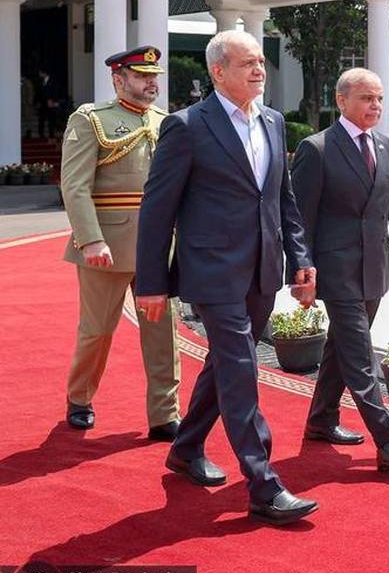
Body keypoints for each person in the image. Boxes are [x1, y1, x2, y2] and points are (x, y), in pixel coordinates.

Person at [135, 31, 320, 526]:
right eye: (247, 63)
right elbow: (157, 210)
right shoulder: (186, 127)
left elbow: (283, 199)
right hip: (211, 270)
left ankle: (186, 447)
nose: (260, 70)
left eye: (261, 62)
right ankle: (263, 484)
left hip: (263, 268)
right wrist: (151, 283)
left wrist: (300, 258)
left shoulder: (274, 122)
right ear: (218, 72)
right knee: (241, 367)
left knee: (223, 363)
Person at [289, 68, 389, 471]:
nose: (376, 106)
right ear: (342, 100)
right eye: (367, 98)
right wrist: (301, 273)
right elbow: (300, 219)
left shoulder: (385, 146)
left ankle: (321, 420)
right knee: (359, 355)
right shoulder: (317, 149)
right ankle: (388, 439)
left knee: (341, 347)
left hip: (374, 270)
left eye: (379, 99)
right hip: (335, 271)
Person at [59, 45, 181, 438]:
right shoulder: (92, 119)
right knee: (97, 330)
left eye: (154, 77)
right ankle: (80, 398)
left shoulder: (167, 122)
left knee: (163, 333)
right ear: (118, 79)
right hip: (107, 245)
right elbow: (75, 186)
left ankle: (165, 414)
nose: (151, 83)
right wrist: (90, 239)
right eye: (142, 76)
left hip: (158, 245)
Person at [34, 68, 62, 138]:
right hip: (42, 104)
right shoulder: (40, 81)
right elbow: (38, 93)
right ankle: (41, 135)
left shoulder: (53, 81)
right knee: (41, 120)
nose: (39, 74)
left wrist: (53, 101)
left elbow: (56, 91)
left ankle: (51, 135)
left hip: (50, 104)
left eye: (40, 72)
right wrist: (37, 102)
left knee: (51, 120)